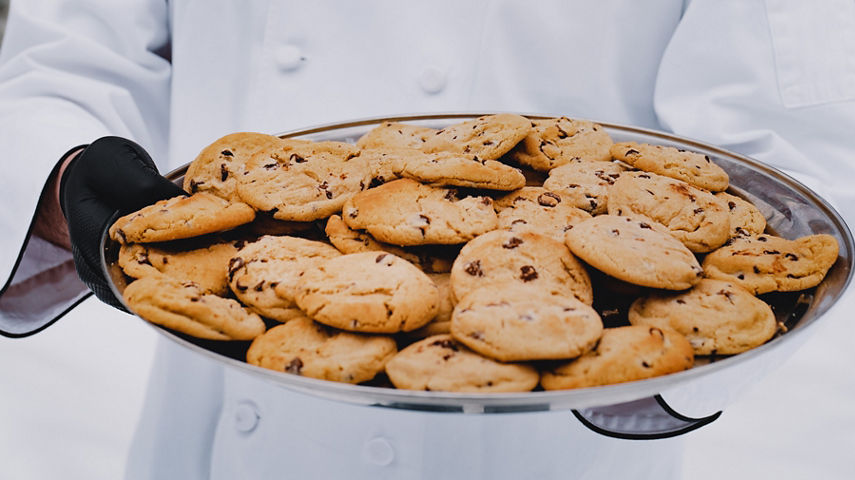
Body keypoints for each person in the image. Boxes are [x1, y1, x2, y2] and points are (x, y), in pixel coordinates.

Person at [1, 0, 854, 479]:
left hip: (543, 434)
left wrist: (646, 313)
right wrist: (63, 177)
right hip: (224, 407)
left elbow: (778, 148)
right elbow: (73, 52)